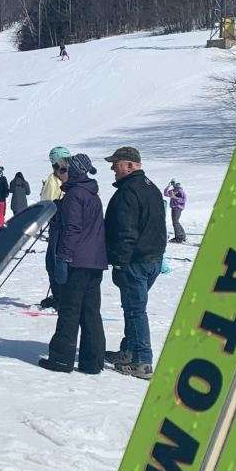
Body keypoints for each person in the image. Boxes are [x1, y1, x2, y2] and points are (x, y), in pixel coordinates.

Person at [38, 154, 106, 374]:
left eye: (65, 169)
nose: (61, 173)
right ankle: (92, 362)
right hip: (94, 262)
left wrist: (63, 258)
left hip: (77, 261)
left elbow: (73, 229)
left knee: (69, 310)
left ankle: (60, 359)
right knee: (90, 312)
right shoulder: (91, 194)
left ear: (74, 171)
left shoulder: (75, 195)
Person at [103, 146, 166, 380]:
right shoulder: (150, 187)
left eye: (116, 163)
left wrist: (119, 262)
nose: (112, 168)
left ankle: (143, 360)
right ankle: (129, 351)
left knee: (135, 310)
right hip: (152, 258)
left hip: (135, 260)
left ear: (130, 165)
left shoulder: (129, 191)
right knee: (132, 308)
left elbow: (126, 232)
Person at [39, 148, 72, 309]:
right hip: (62, 224)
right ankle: (60, 294)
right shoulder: (67, 176)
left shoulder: (54, 179)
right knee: (56, 261)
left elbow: (48, 202)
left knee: (53, 261)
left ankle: (60, 297)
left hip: (58, 224)